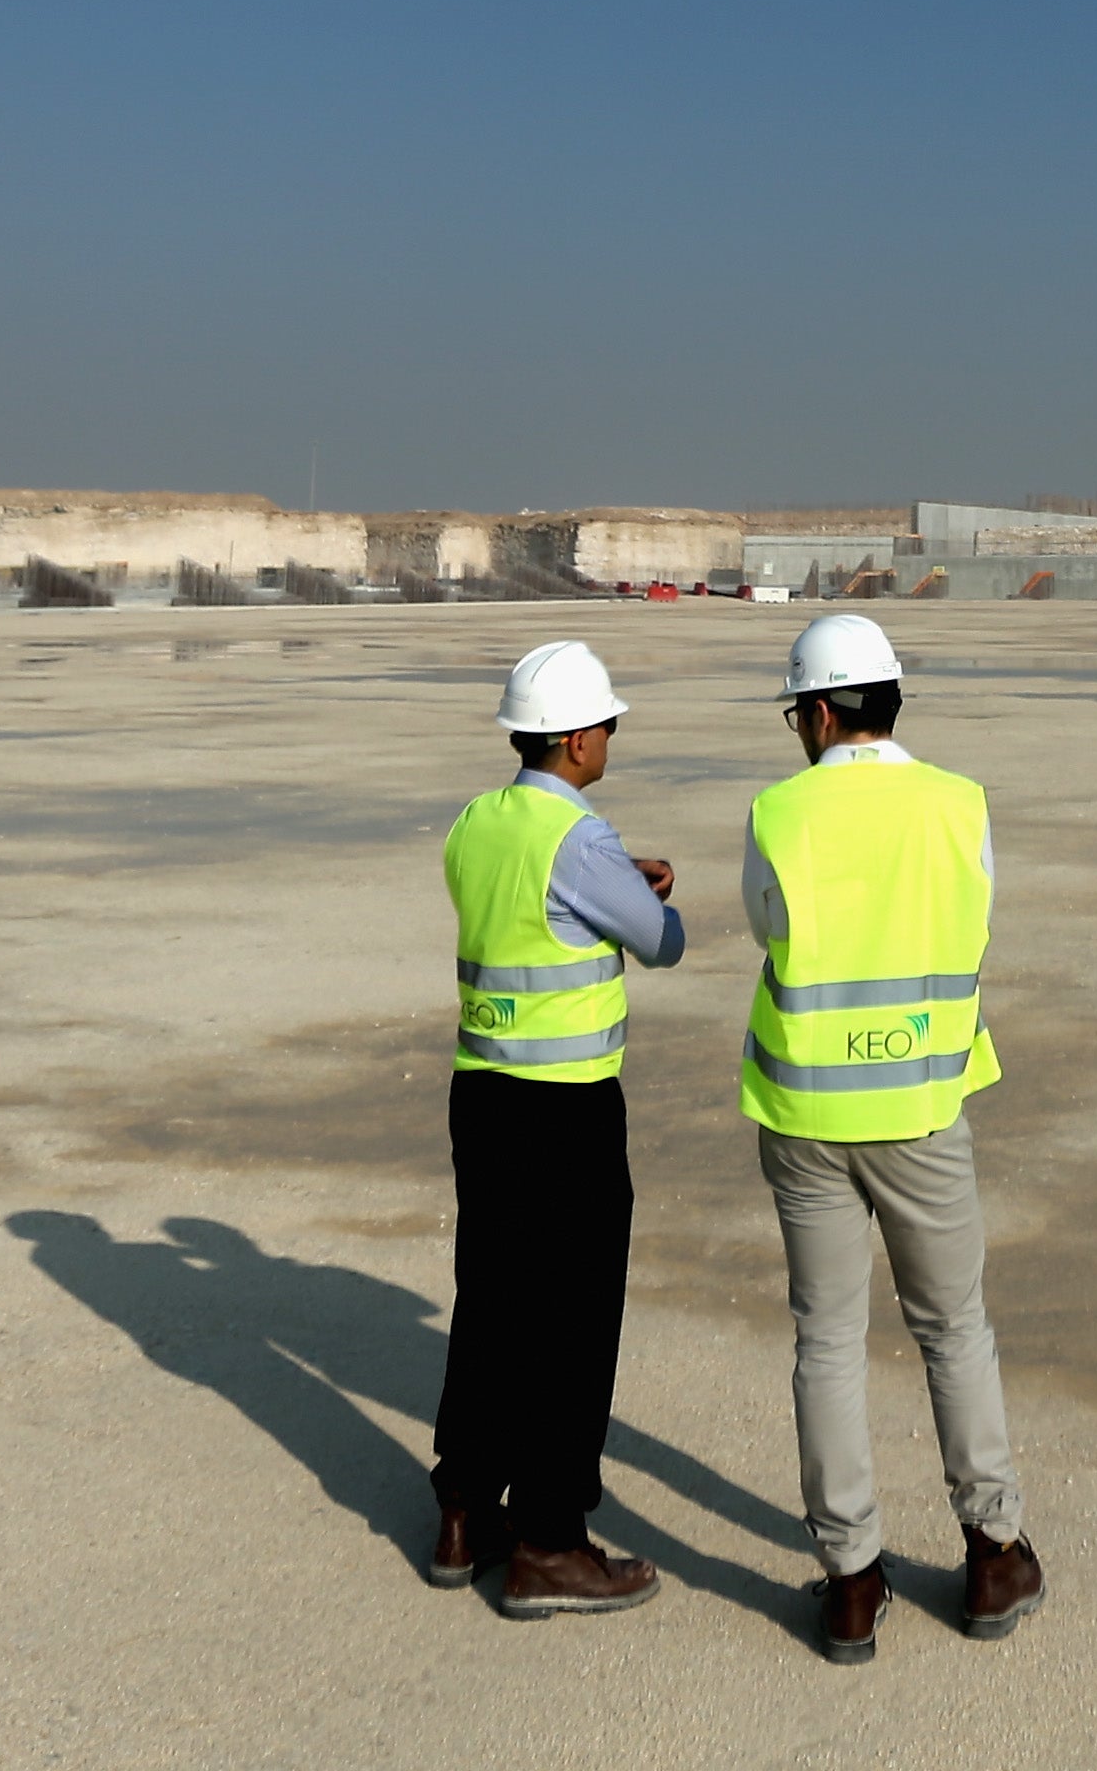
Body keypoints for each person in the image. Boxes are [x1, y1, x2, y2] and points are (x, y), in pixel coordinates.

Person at [740, 609, 1042, 1663]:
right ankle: (994, 1553)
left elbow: (770, 927)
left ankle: (853, 1579)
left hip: (808, 1114)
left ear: (820, 711)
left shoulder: (780, 814)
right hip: (923, 1108)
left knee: (826, 1339)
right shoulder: (959, 806)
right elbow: (975, 914)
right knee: (954, 1328)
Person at [429, 638, 686, 1619]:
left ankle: (464, 1506)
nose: (610, 738)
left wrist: (617, 872)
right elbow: (660, 942)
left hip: (482, 1087)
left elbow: (532, 912)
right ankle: (549, 1536)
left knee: (491, 1297)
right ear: (579, 737)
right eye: (609, 725)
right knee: (573, 1316)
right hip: (566, 1100)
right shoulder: (578, 837)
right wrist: (635, 886)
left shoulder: (476, 822)